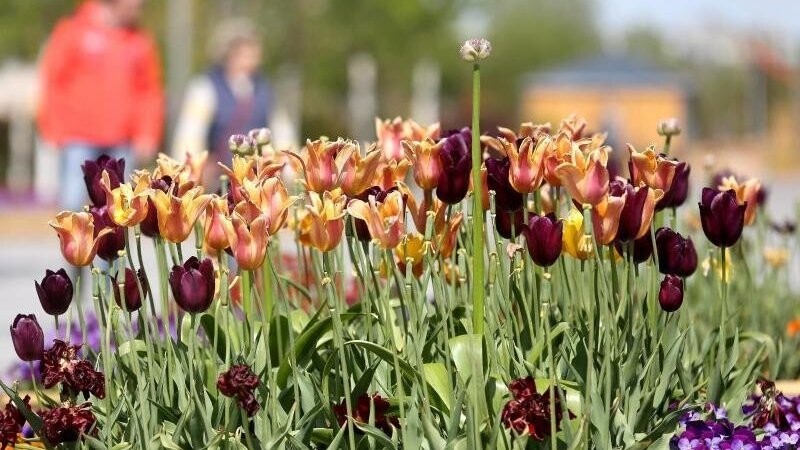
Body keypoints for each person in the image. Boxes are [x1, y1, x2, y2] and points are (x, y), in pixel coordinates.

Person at [37, 0, 163, 211]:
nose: (141, 5)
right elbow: (53, 82)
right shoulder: (73, 30)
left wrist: (148, 133)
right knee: (72, 208)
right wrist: (51, 128)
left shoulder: (139, 41)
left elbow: (149, 91)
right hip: (78, 138)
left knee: (121, 210)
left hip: (123, 140)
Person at [172, 18, 271, 190]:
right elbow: (190, 135)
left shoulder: (264, 90)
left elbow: (281, 132)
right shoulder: (205, 87)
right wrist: (192, 173)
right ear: (229, 55)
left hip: (255, 178)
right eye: (245, 54)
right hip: (218, 178)